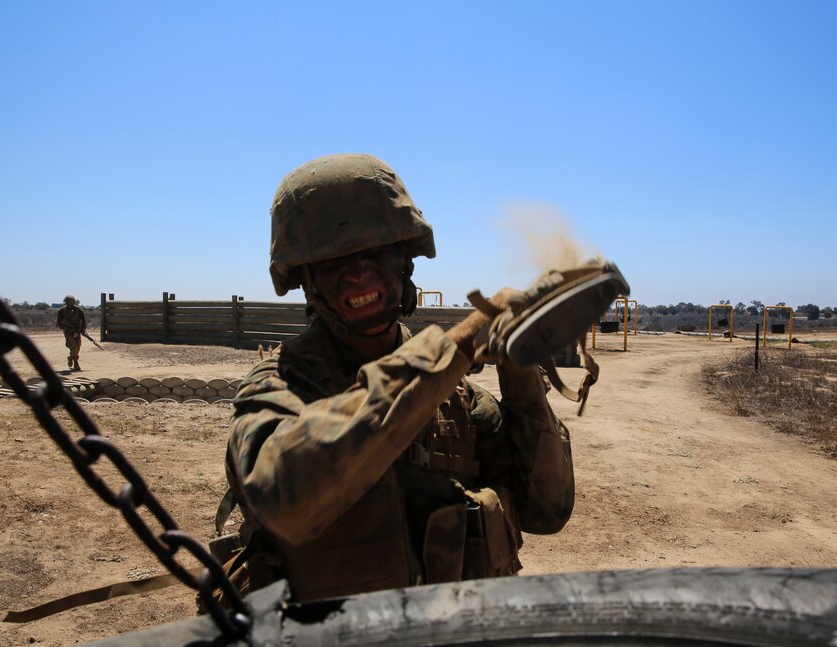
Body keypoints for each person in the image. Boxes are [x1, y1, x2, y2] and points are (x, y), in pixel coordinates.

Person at [223, 153, 575, 603]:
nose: (357, 272)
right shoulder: (280, 386)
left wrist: (519, 365)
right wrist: (455, 348)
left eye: (373, 252)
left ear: (403, 260)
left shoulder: (458, 399)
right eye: (333, 261)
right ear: (306, 279)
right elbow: (282, 497)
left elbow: (547, 511)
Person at [56, 294, 87, 371]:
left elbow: (83, 322)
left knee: (78, 347)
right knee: (73, 347)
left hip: (77, 332)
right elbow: (59, 324)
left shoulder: (79, 311)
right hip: (68, 332)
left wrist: (82, 329)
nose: (68, 304)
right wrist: (67, 329)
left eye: (69, 302)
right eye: (66, 302)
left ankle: (71, 357)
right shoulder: (61, 311)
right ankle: (76, 364)